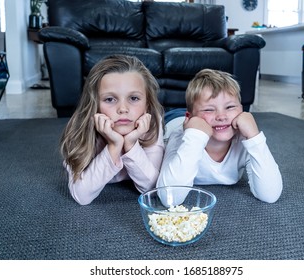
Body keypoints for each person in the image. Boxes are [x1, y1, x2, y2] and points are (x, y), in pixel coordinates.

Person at [157, 69, 283, 203]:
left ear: (242, 110)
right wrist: (194, 137)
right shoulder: (182, 138)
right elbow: (169, 198)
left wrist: (254, 137)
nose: (222, 117)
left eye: (230, 107)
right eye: (209, 109)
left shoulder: (244, 138)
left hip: (198, 119)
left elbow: (270, 195)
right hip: (174, 120)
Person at [60, 55, 164, 205]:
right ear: (95, 104)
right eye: (110, 99)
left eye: (134, 98)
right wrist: (114, 146)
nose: (123, 109)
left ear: (147, 104)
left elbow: (153, 188)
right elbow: (82, 196)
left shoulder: (152, 121)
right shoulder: (79, 127)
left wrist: (130, 144)